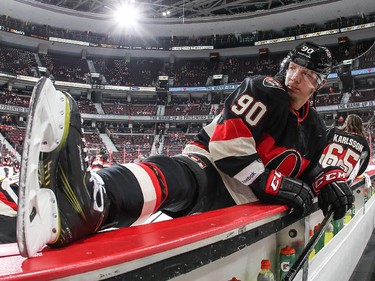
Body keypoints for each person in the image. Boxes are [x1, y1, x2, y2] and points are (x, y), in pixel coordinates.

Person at [17, 41, 354, 257]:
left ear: (319, 85)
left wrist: (329, 182)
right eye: (293, 67)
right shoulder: (264, 89)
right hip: (215, 171)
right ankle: (92, 200)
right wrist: (274, 183)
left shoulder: (316, 129)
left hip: (247, 202)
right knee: (176, 176)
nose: (295, 77)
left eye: (307, 74)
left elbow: (316, 168)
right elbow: (228, 147)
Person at [320, 114, 370, 179]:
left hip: (320, 172)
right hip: (341, 180)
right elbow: (361, 168)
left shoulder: (333, 131)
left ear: (346, 123)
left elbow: (318, 146)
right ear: (360, 126)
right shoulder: (364, 143)